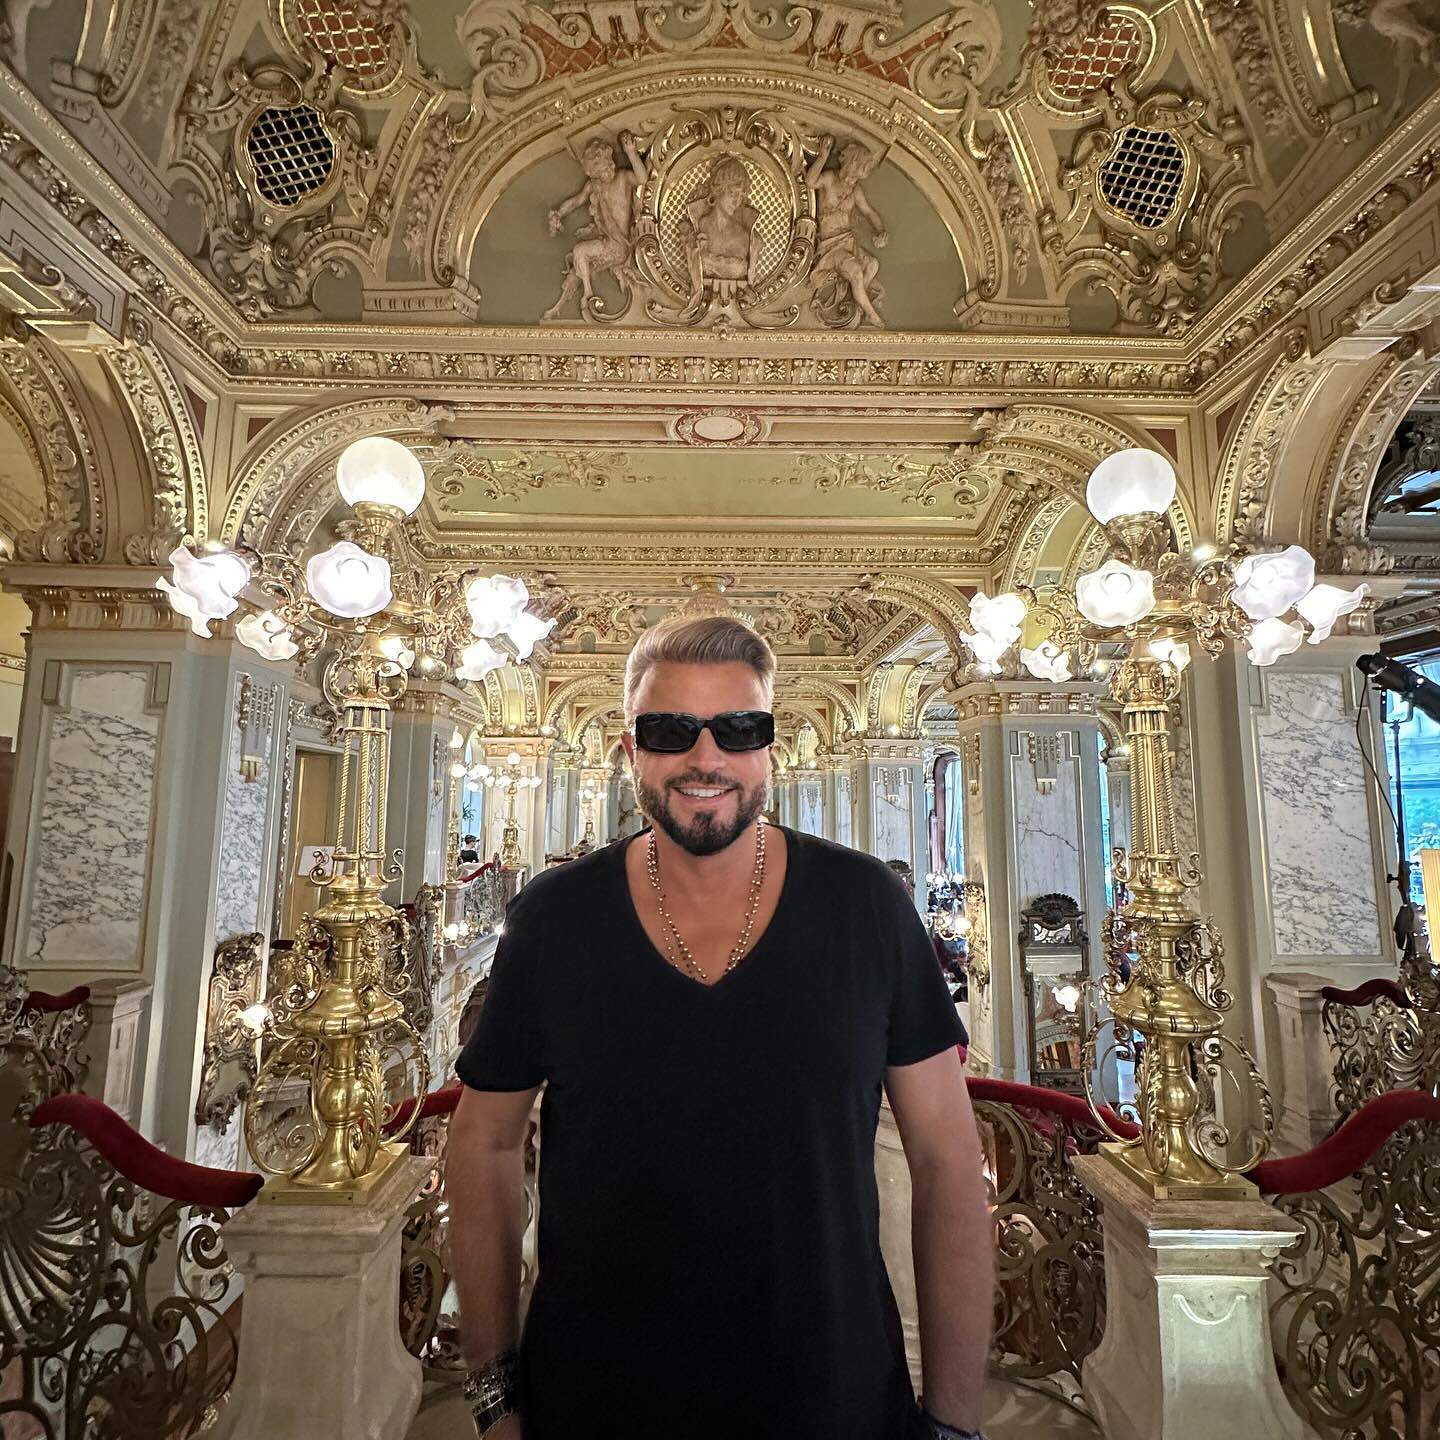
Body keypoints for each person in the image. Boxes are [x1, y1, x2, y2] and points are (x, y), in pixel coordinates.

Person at [448, 613, 993, 1440]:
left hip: (832, 1401)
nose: (706, 758)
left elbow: (948, 1163)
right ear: (630, 752)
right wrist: (494, 1392)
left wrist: (954, 1422)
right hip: (594, 1401)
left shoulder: (865, 907)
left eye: (739, 729)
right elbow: (484, 1143)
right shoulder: (554, 919)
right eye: (670, 731)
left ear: (770, 749)